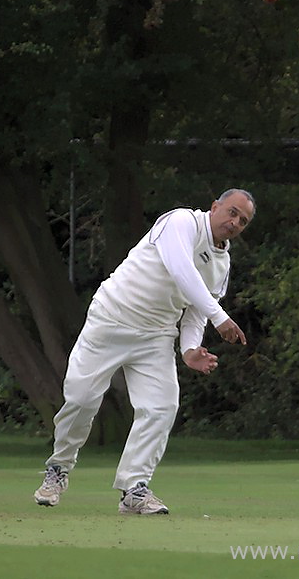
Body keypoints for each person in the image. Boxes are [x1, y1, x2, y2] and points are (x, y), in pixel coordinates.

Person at [34, 189, 256, 515]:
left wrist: (189, 349)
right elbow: (181, 269)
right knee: (81, 399)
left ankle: (134, 488)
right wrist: (220, 317)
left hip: (156, 335)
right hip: (112, 317)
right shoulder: (181, 222)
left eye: (243, 221)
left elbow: (196, 313)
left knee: (162, 406)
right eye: (232, 212)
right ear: (215, 207)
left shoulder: (221, 265)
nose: (235, 222)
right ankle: (59, 467)